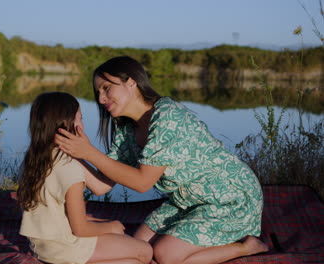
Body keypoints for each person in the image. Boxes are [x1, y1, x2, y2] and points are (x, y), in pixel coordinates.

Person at [55, 56, 269, 264]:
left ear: (131, 82)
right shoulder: (127, 130)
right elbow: (102, 185)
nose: (101, 99)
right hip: (187, 202)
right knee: (139, 247)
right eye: (98, 92)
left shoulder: (168, 116)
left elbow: (142, 182)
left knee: (166, 255)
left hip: (229, 197)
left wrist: (89, 152)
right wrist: (72, 152)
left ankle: (246, 247)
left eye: (106, 88)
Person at [17, 92, 153, 264]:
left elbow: (98, 188)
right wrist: (112, 226)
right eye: (80, 118)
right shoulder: (69, 168)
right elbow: (80, 229)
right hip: (67, 248)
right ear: (68, 124)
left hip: (42, 248)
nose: (82, 124)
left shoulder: (32, 161)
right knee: (145, 252)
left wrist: (87, 151)